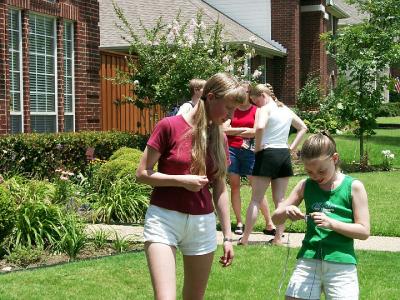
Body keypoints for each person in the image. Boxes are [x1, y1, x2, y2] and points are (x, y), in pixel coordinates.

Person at [136, 73, 245, 300]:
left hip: (202, 224)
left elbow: (220, 190)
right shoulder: (169, 126)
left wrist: (227, 237)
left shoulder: (220, 139)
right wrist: (180, 180)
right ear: (211, 97)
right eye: (228, 108)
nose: (231, 116)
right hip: (164, 220)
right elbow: (142, 174)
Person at [272, 132, 370, 300]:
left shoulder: (353, 187)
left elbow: (364, 231)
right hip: (309, 259)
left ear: (335, 158)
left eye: (321, 171)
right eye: (309, 172)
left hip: (341, 263)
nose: (316, 176)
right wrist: (286, 211)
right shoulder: (305, 185)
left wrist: (332, 223)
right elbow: (276, 219)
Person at [240, 83, 307, 245]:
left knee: (256, 199)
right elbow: (303, 127)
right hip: (283, 154)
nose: (256, 105)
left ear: (263, 96)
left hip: (267, 153)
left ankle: (245, 238)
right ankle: (278, 238)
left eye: (256, 101)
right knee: (281, 200)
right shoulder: (285, 109)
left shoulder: (264, 109)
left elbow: (260, 127)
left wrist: (256, 148)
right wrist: (291, 148)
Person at [223, 83, 276, 236]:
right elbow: (223, 130)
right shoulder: (232, 110)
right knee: (234, 186)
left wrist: (234, 131)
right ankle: (239, 222)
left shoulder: (257, 110)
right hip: (232, 150)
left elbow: (255, 132)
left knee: (257, 187)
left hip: (250, 152)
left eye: (245, 91)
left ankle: (269, 222)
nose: (242, 94)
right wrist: (243, 131)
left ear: (249, 93)